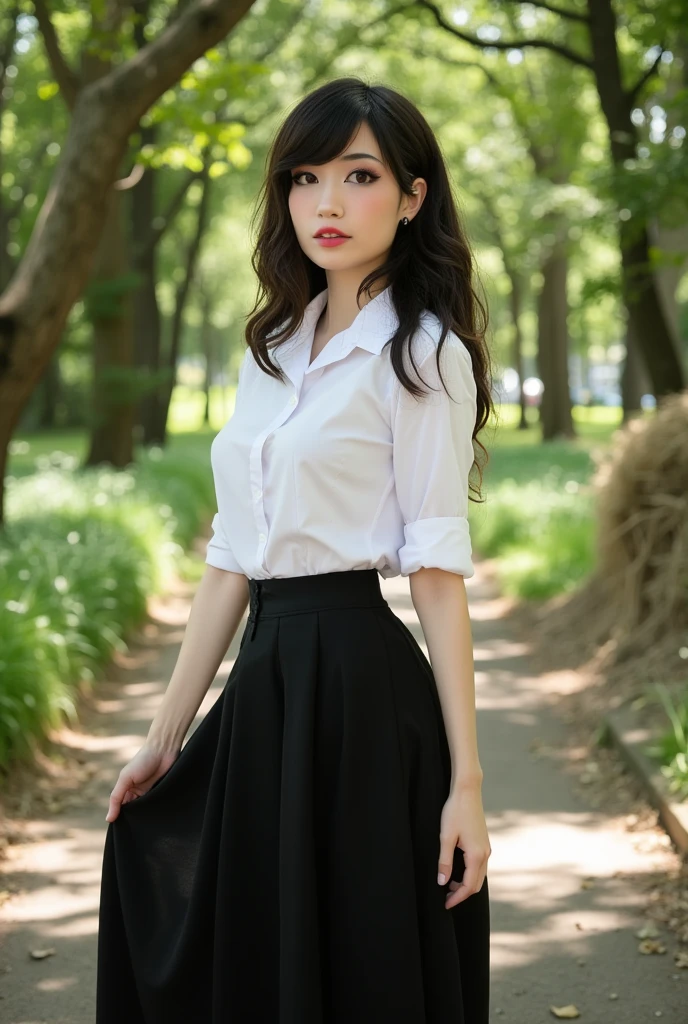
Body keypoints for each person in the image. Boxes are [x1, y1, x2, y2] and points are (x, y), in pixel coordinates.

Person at [96, 76, 494, 1024]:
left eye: (360, 176)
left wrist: (468, 785)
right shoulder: (272, 344)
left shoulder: (425, 353)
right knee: (249, 951)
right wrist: (163, 736)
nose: (326, 203)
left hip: (362, 694)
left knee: (356, 958)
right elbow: (233, 556)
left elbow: (436, 574)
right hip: (264, 685)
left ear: (412, 195)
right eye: (304, 177)